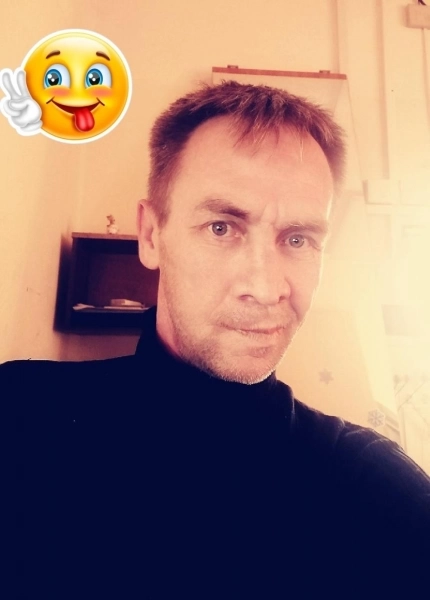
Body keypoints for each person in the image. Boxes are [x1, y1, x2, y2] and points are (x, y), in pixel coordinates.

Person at [4, 81, 430, 599]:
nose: (266, 288)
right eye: (222, 228)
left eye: (298, 239)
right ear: (151, 235)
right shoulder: (21, 416)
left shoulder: (371, 485)